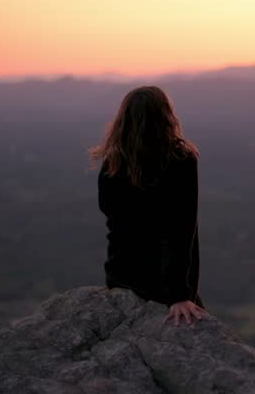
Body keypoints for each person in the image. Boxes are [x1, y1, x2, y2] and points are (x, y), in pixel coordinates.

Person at [88, 85, 207, 326]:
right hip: (163, 284)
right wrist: (180, 294)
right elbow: (181, 229)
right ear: (166, 115)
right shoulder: (181, 160)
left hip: (120, 275)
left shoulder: (113, 162)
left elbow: (111, 215)